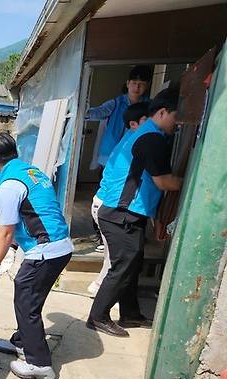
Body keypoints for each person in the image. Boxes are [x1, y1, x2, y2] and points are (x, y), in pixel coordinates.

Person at [87, 88, 183, 337]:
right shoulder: (151, 139)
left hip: (128, 211)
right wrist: (192, 182)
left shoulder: (142, 133)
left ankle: (130, 314)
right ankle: (97, 316)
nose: (178, 123)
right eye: (176, 116)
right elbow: (164, 182)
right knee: (123, 264)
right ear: (162, 112)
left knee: (133, 262)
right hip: (121, 212)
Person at [0, 132, 73, 379]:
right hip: (59, 245)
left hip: (46, 250)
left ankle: (39, 364)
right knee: (29, 296)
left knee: (26, 301)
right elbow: (31, 214)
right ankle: (22, 342)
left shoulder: (9, 184)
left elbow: (7, 230)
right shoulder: (31, 172)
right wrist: (12, 251)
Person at [88, 101, 150, 296]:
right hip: (107, 205)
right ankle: (99, 291)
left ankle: (102, 292)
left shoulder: (129, 138)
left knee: (112, 256)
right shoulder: (137, 142)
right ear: (134, 123)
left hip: (102, 202)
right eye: (149, 121)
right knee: (114, 258)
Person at [87, 65, 152, 250]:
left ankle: (126, 235)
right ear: (127, 84)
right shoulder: (116, 103)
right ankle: (101, 236)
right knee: (104, 196)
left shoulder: (150, 106)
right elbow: (97, 112)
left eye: (141, 84)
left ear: (146, 85)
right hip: (112, 158)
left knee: (131, 197)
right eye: (134, 83)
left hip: (137, 160)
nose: (137, 87)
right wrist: (83, 109)